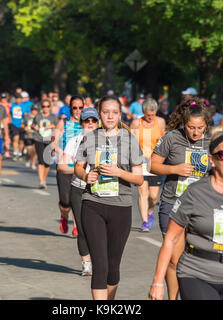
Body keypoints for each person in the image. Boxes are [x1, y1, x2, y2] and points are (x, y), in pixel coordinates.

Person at [149, 132, 223, 300]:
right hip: (198, 273)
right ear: (212, 160)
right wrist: (157, 282)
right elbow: (170, 239)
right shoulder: (195, 193)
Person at [74, 96, 144, 300]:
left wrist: (118, 172)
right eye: (106, 112)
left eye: (114, 112)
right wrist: (86, 175)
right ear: (99, 114)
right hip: (93, 203)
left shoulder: (129, 139)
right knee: (100, 265)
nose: (110, 116)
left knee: (113, 266)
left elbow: (139, 179)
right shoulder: (89, 137)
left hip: (120, 206)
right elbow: (78, 167)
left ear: (120, 114)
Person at [150, 98, 212, 299]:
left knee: (195, 260)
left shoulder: (211, 142)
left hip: (201, 208)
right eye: (191, 127)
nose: (195, 132)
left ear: (206, 125)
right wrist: (174, 169)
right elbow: (152, 165)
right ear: (184, 123)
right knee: (176, 260)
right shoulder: (172, 138)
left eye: (200, 128)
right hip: (172, 204)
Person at [58, 107, 100, 276]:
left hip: (99, 190)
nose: (90, 124)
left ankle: (99, 260)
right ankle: (86, 264)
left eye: (93, 121)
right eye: (86, 121)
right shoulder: (74, 141)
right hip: (78, 189)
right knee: (82, 228)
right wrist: (80, 171)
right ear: (81, 123)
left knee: (97, 229)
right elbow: (62, 166)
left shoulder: (106, 142)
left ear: (98, 123)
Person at [130, 98, 166, 232]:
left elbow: (164, 140)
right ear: (143, 112)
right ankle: (145, 221)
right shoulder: (135, 123)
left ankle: (150, 212)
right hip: (140, 162)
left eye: (152, 114)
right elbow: (131, 143)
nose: (150, 117)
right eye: (147, 115)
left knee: (154, 196)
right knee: (142, 192)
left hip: (155, 162)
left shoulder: (161, 122)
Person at [54, 96, 84, 235]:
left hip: (81, 166)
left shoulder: (87, 123)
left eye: (80, 107)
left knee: (78, 199)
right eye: (75, 108)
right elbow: (54, 141)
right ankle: (64, 216)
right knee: (66, 202)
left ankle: (77, 225)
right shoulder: (64, 122)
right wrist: (59, 152)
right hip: (65, 165)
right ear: (70, 108)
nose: (78, 110)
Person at [32, 98, 58, 189]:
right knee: (41, 160)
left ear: (50, 107)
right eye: (44, 106)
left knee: (47, 162)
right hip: (39, 139)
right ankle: (41, 182)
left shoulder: (53, 117)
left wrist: (52, 126)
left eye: (47, 106)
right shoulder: (38, 116)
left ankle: (44, 179)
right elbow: (32, 125)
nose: (46, 108)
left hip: (49, 140)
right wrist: (34, 127)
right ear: (41, 107)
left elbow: (58, 127)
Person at [21, 104, 39, 170]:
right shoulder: (26, 117)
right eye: (33, 110)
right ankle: (27, 159)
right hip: (28, 135)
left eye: (36, 110)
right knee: (29, 150)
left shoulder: (39, 117)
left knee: (36, 151)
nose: (34, 111)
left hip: (37, 135)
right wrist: (24, 127)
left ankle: (33, 163)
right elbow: (22, 124)